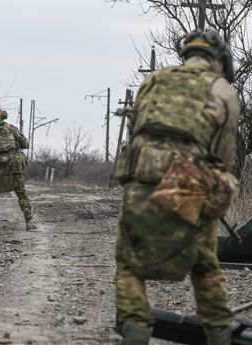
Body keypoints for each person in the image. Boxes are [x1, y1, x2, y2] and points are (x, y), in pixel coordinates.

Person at [114, 30, 240, 345]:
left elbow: (136, 131)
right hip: (188, 182)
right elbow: (223, 156)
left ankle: (135, 335)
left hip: (141, 179)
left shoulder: (153, 81)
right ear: (219, 61)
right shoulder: (221, 89)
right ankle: (220, 337)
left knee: (130, 264)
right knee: (203, 264)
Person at [0, 107, 36, 230]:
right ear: (4, 117)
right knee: (22, 195)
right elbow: (25, 144)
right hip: (14, 170)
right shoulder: (12, 130)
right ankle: (29, 222)